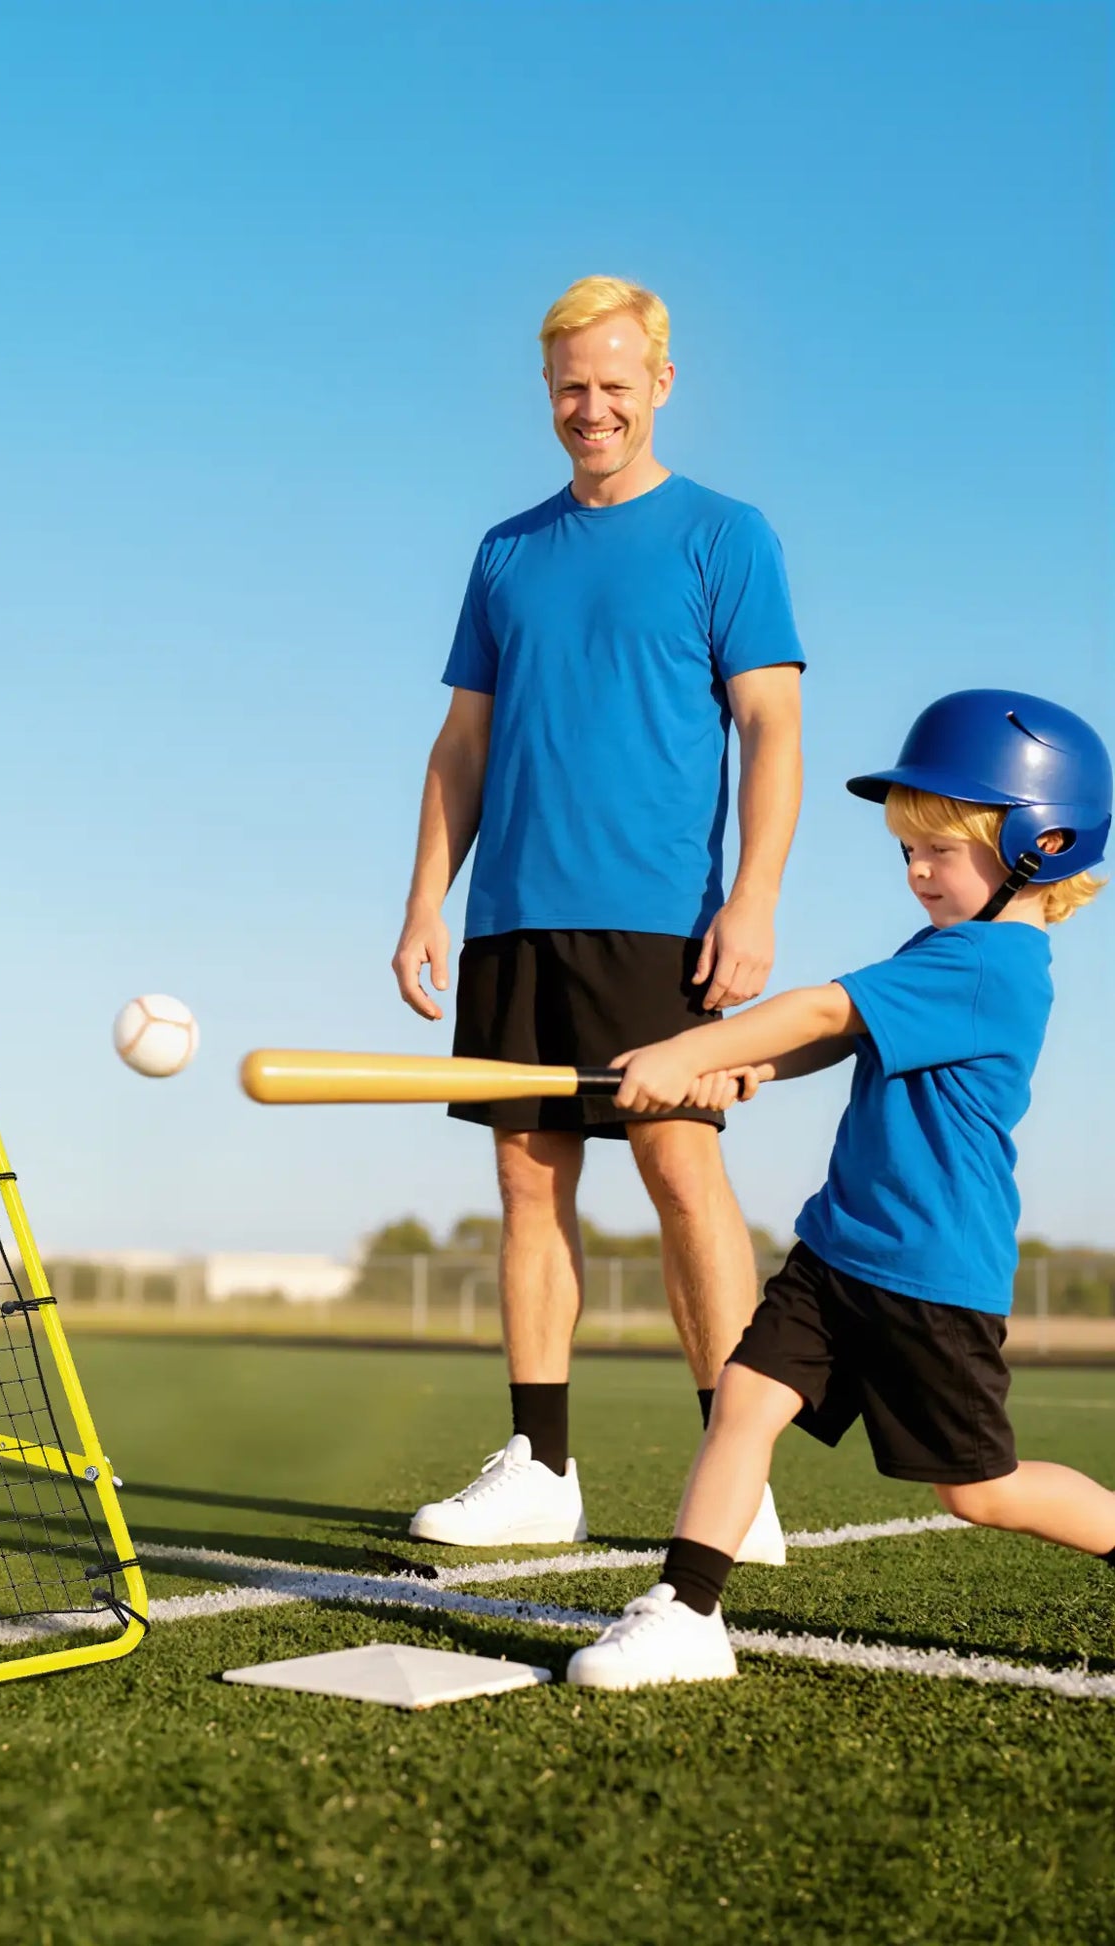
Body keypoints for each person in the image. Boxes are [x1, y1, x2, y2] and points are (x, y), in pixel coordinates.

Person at [567, 690, 1114, 1689]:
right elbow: (838, 1033)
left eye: (935, 848)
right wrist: (746, 1070)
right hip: (837, 1249)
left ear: (1039, 842)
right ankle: (685, 1609)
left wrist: (693, 1043)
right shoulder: (944, 953)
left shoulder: (991, 963)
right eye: (905, 848)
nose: (913, 870)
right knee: (741, 1397)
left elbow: (822, 1003)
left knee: (977, 1490)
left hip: (928, 1276)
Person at [394, 276, 804, 1553]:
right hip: (515, 916)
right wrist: (424, 900)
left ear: (660, 383)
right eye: (570, 385)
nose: (591, 407)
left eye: (614, 383)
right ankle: (540, 1465)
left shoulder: (723, 535)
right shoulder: (504, 550)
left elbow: (771, 727)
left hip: (659, 921)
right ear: (546, 390)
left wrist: (751, 897)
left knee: (685, 1174)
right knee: (527, 1182)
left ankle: (735, 1480)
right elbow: (460, 742)